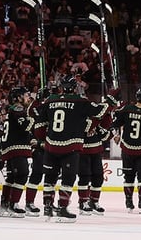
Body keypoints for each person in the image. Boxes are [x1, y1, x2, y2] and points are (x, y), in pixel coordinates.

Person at [34, 75, 110, 222]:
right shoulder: (80, 101)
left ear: (62, 87)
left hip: (51, 146)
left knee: (50, 178)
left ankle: (48, 207)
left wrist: (43, 139)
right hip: (70, 147)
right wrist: (110, 102)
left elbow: (38, 122)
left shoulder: (51, 100)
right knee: (68, 178)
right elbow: (100, 112)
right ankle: (62, 208)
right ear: (75, 88)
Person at [112, 86, 141, 214]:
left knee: (128, 178)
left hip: (127, 149)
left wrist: (116, 134)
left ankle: (128, 202)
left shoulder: (126, 109)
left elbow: (115, 122)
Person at [77, 85, 115, 216]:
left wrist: (108, 116)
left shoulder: (93, 112)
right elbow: (87, 127)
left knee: (98, 177)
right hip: (83, 150)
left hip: (96, 149)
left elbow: (103, 133)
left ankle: (94, 201)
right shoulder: (79, 114)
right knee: (84, 176)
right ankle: (83, 202)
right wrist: (105, 109)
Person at [0, 87, 34, 218]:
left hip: (10, 147)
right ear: (18, 98)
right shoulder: (17, 109)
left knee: (12, 177)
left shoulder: (10, 110)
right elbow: (26, 126)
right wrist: (34, 117)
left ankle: (5, 204)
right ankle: (13, 204)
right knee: (22, 174)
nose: (28, 98)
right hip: (16, 147)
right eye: (25, 95)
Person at [23, 85, 53, 217]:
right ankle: (29, 202)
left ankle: (49, 202)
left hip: (49, 144)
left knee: (50, 175)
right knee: (37, 173)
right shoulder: (34, 108)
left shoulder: (45, 106)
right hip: (38, 144)